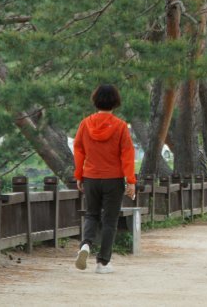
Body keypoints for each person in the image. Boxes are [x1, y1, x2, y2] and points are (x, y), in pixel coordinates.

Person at [73, 84, 136, 274]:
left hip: (91, 177)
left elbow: (78, 149)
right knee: (109, 221)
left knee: (91, 214)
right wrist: (131, 180)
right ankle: (103, 262)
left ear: (95, 101)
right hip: (113, 179)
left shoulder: (85, 124)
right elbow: (127, 153)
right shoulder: (120, 126)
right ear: (115, 102)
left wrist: (79, 175)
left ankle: (85, 245)